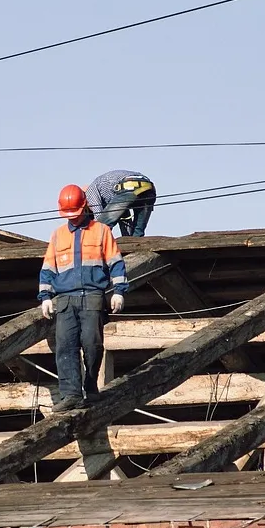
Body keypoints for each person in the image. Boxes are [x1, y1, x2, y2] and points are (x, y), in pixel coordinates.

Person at [38, 185, 129, 411]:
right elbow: (48, 268)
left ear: (85, 206)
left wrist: (119, 291)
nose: (73, 218)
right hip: (66, 300)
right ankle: (71, 395)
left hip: (92, 297)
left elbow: (116, 263)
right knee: (65, 347)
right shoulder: (58, 235)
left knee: (92, 344)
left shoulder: (101, 231)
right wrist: (45, 297)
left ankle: (90, 387)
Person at [84, 170, 157, 237]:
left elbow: (99, 219)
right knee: (137, 234)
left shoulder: (89, 192)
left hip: (129, 186)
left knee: (99, 229)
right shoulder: (116, 198)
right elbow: (125, 222)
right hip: (149, 189)